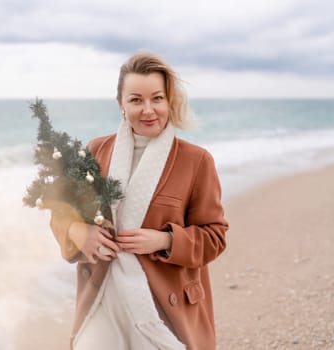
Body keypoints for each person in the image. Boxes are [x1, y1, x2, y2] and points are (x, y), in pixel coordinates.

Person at [49, 52, 228, 350]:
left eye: (157, 98)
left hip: (162, 304)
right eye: (136, 100)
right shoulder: (96, 150)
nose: (148, 110)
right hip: (102, 295)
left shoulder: (196, 161)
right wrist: (78, 232)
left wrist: (164, 240)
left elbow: (215, 236)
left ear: (169, 100)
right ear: (121, 103)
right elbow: (61, 211)